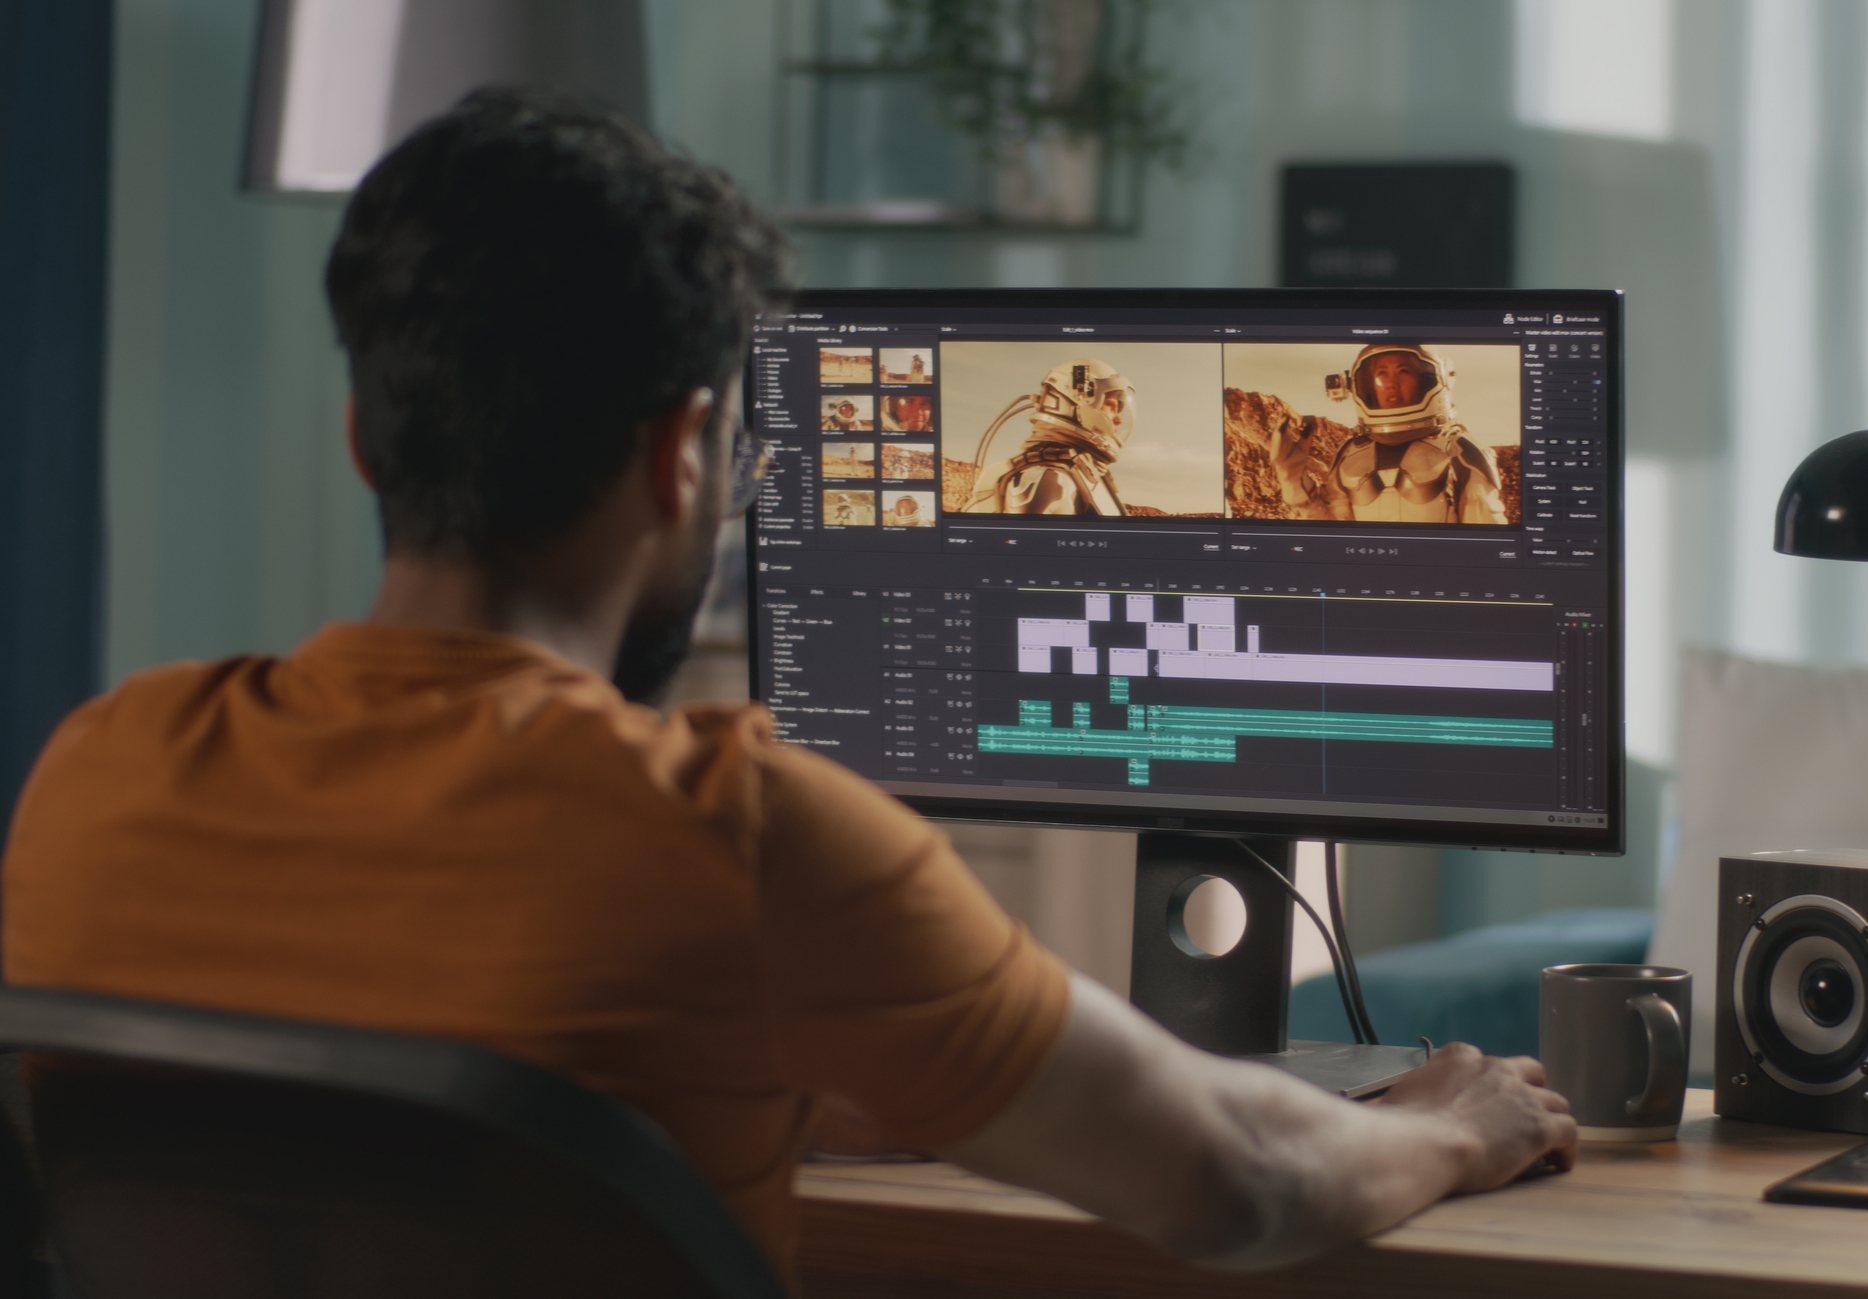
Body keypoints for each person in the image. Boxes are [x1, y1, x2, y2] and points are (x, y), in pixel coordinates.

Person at [0, 90, 1575, 1286]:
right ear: (684, 453)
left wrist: (810, 1075)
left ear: (364, 437)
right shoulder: (741, 834)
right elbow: (1233, 1176)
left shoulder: (99, 767)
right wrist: (1454, 1118)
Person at [1269, 343, 1506, 523]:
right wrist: (1291, 477)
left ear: (1430, 378)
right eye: (1381, 373)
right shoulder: (1350, 452)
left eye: (1404, 371)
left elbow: (1486, 548)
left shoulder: (1461, 452)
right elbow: (1332, 533)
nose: (1391, 383)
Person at [978, 358, 1136, 514]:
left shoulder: (1087, 475)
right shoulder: (1048, 480)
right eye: (1110, 406)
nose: (1118, 419)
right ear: (1078, 399)